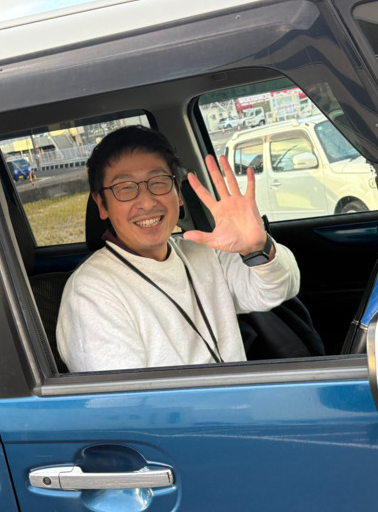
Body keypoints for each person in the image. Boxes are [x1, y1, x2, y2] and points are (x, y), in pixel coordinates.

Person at [56, 125, 301, 372]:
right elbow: (124, 394)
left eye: (159, 182)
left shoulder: (203, 252)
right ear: (101, 204)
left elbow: (279, 289)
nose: (147, 202)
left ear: (178, 193)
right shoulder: (90, 293)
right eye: (126, 188)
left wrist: (258, 248)